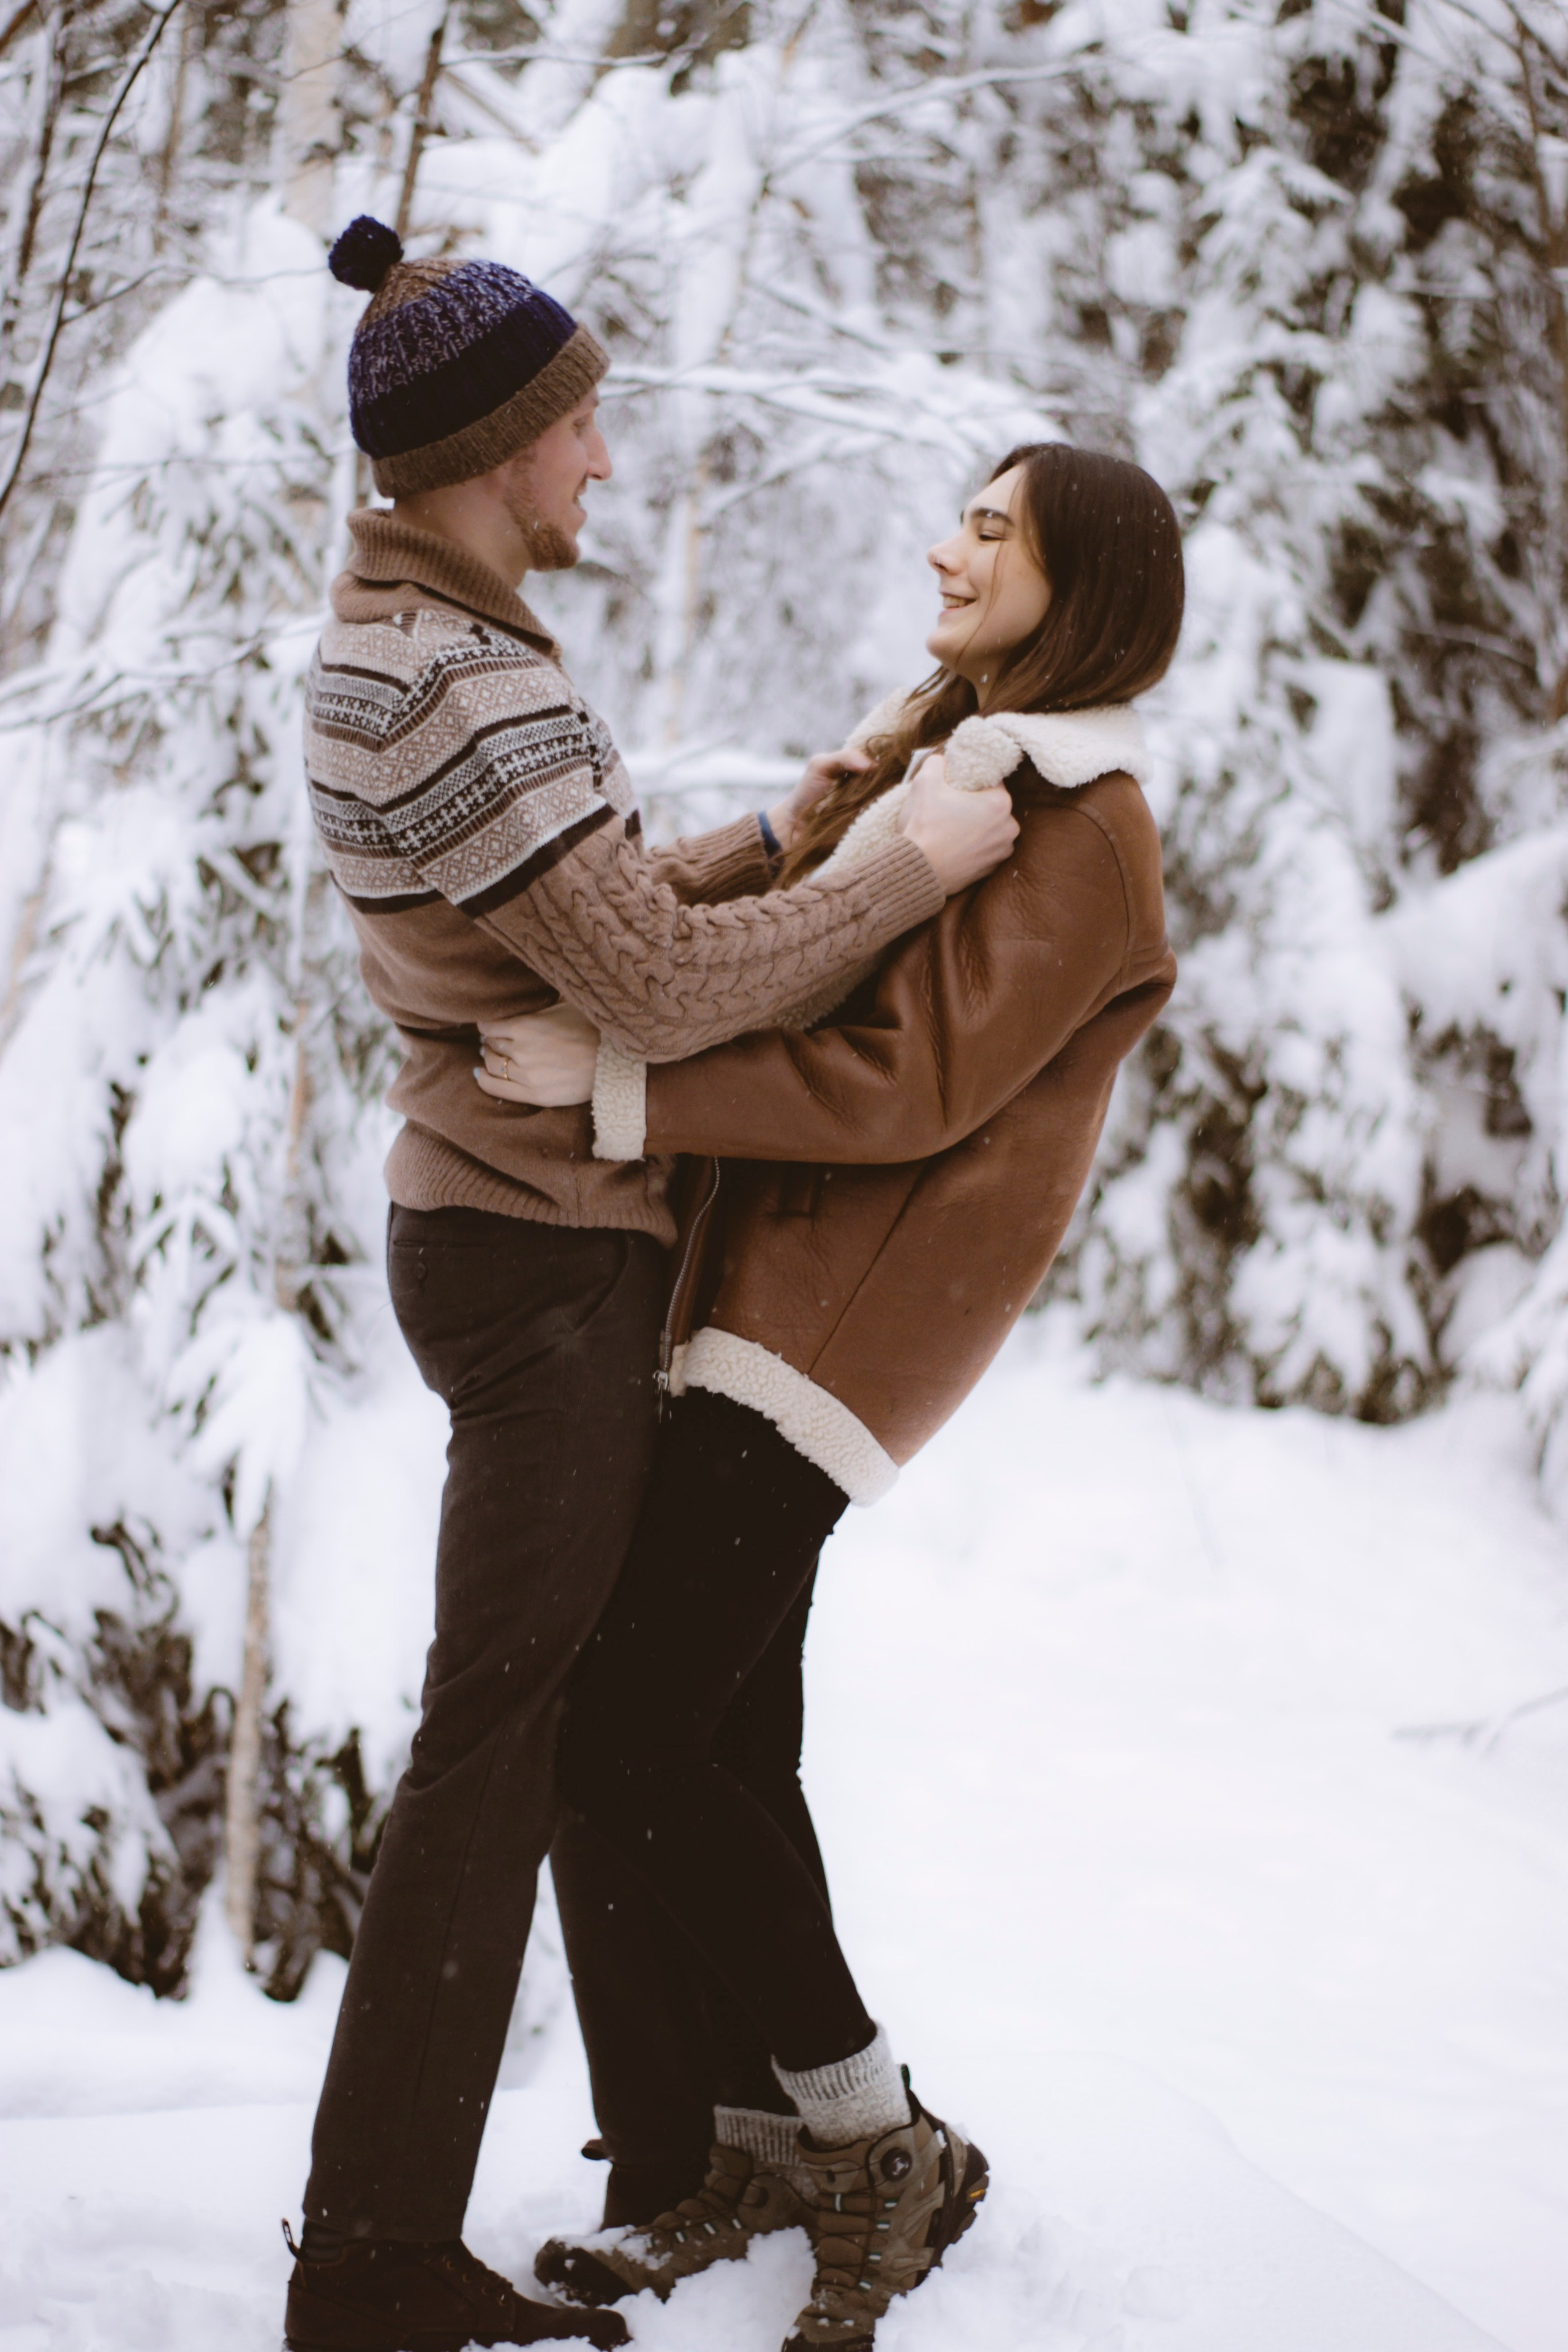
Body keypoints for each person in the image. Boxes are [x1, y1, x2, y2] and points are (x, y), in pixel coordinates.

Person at [281, 215, 1016, 2352]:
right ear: (498, 446)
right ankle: (374, 2258)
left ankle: (679, 2144)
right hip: (538, 1252)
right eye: (581, 420)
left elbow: (576, 923)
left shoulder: (412, 645)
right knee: (501, 1734)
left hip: (495, 1226)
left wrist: (757, 847)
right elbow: (661, 990)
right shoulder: (463, 678)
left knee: (567, 1721)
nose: (607, 456)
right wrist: (900, 872)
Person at [474, 441, 1184, 2352]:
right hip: (753, 1288)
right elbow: (799, 927)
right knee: (718, 1737)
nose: (948, 546)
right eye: (957, 512)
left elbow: (908, 1083)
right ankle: (752, 2148)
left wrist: (621, 1097)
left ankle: (882, 2150)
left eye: (995, 529)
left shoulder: (1088, 829)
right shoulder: (955, 760)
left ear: (1085, 585)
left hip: (838, 1324)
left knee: (625, 1735)